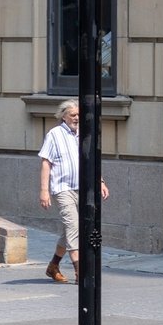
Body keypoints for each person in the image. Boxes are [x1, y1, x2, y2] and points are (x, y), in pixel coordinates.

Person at [39, 98, 109, 284]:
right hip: (63, 189)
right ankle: (80, 271)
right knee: (73, 227)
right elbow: (46, 162)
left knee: (70, 230)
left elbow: (91, 160)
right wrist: (44, 190)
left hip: (83, 188)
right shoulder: (54, 134)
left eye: (79, 114)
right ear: (64, 116)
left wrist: (100, 181)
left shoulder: (84, 134)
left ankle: (53, 266)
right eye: (73, 115)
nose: (77, 118)